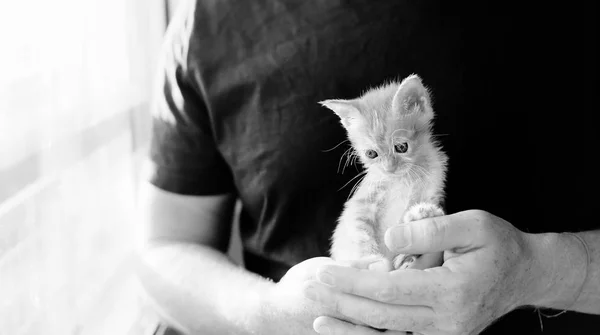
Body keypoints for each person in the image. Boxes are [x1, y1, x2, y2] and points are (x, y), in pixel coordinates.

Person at [136, 0, 599, 334]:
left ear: (419, 107)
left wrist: (537, 271)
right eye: (375, 156)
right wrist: (269, 316)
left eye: (396, 148)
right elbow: (163, 249)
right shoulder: (204, 29)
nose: (387, 165)